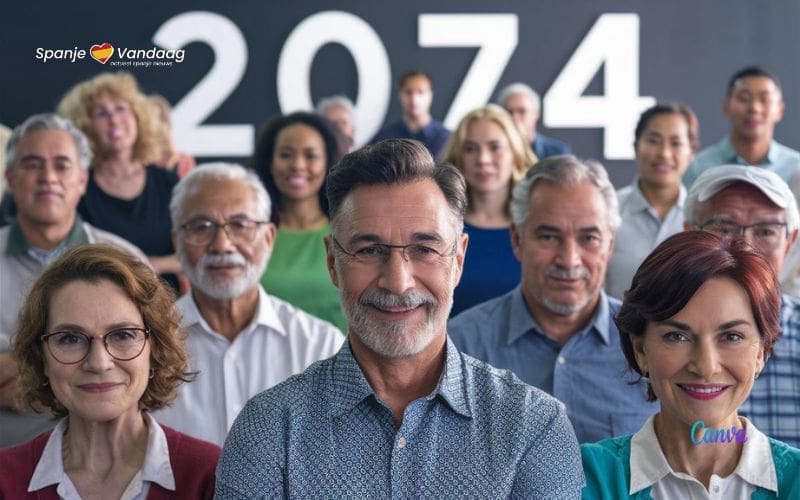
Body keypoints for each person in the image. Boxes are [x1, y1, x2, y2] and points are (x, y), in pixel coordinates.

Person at [215, 140, 584, 498]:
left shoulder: (533, 426)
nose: (397, 282)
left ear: (458, 260)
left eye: (424, 249)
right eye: (369, 249)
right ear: (332, 262)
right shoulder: (268, 428)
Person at [449, 155, 658, 443]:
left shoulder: (652, 347)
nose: (569, 260)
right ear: (517, 240)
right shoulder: (460, 347)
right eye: (549, 237)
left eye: (588, 239)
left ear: (610, 245)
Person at [582, 231, 800, 499]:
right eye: (677, 336)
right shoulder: (588, 477)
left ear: (762, 352)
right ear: (640, 349)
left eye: (731, 337)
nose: (706, 366)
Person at [0, 244, 220, 499]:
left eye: (123, 335)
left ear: (156, 349)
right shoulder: (4, 480)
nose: (99, 362)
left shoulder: (210, 475)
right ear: (42, 358)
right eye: (70, 338)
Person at [153, 163, 343, 445]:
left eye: (240, 226)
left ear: (269, 238)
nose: (222, 245)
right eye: (201, 227)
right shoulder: (147, 347)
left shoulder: (319, 347)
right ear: (177, 243)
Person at [0, 113, 147, 448]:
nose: (48, 177)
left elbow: (157, 363)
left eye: (62, 165)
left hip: (109, 466)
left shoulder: (127, 261)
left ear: (82, 180)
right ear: (10, 177)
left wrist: (29, 368)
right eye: (32, 164)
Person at [684, 165, 800, 447]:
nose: (745, 247)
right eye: (724, 228)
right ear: (687, 234)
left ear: (789, 242)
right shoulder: (655, 333)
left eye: (766, 231)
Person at [57, 71, 183, 291]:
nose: (114, 119)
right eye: (101, 113)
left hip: (166, 307)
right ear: (86, 126)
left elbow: (197, 251)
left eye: (120, 109)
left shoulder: (168, 183)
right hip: (99, 303)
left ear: (138, 116)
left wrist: (156, 264)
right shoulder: (79, 187)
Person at [251, 112, 348, 332]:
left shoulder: (348, 233)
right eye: (286, 155)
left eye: (310, 155)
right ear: (270, 162)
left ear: (328, 162)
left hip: (340, 360)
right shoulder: (251, 236)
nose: (297, 165)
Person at [441, 104, 537, 315]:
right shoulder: (440, 227)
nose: (483, 159)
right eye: (470, 149)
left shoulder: (538, 228)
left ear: (515, 152)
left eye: (494, 147)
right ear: (458, 157)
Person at [605, 103, 699, 299]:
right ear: (636, 147)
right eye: (654, 140)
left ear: (691, 152)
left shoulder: (701, 217)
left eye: (675, 143)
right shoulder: (608, 210)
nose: (664, 153)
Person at [682, 66, 800, 189]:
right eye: (744, 98)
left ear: (780, 111)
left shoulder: (796, 169)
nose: (754, 108)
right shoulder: (698, 168)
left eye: (764, 100)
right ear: (726, 107)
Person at [371, 70, 450, 158]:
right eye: (408, 92)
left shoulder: (446, 139)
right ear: (400, 95)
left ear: (430, 95)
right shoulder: (385, 139)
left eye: (420, 92)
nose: (414, 99)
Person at [497, 82, 572, 159]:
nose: (514, 117)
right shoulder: (494, 153)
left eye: (522, 111)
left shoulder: (557, 152)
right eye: (509, 112)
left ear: (536, 114)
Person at [149, 94, 196, 178]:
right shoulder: (135, 162)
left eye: (159, 119)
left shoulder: (184, 161)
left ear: (167, 124)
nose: (152, 127)